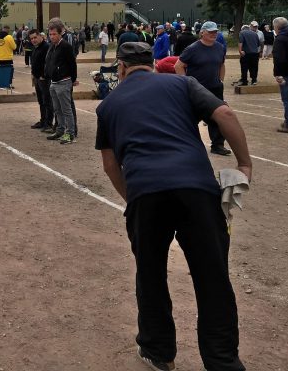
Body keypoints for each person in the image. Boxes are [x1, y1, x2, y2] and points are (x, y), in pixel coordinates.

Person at [96, 42, 251, 371]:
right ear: (151, 63)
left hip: (145, 192)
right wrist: (244, 163)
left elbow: (110, 165)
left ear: (121, 69)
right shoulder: (181, 83)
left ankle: (157, 349)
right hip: (196, 187)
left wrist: (134, 198)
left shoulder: (108, 105)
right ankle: (223, 360)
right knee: (213, 276)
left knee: (150, 274)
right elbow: (224, 113)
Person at [175, 21, 231, 155]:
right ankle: (185, 144)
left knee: (217, 117)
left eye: (215, 32)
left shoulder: (219, 47)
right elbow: (178, 66)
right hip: (197, 89)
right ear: (202, 33)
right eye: (210, 32)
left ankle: (217, 145)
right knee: (191, 118)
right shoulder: (192, 48)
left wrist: (220, 80)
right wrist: (187, 82)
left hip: (216, 88)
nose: (214, 34)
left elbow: (221, 64)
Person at [44, 18, 77, 144]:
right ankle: (60, 130)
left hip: (63, 82)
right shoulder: (52, 46)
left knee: (66, 109)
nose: (52, 37)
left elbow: (72, 64)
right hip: (54, 82)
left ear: (60, 33)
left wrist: (72, 79)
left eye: (54, 34)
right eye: (50, 34)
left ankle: (70, 134)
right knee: (57, 109)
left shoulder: (65, 46)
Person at [29, 29, 53, 132]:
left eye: (35, 37)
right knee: (41, 101)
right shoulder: (35, 48)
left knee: (47, 101)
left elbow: (48, 63)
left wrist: (44, 74)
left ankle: (48, 123)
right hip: (37, 78)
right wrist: (33, 75)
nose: (33, 40)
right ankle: (43, 121)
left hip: (44, 79)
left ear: (40, 36)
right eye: (31, 38)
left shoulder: (46, 47)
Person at [235, 21, 262, 86]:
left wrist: (240, 51)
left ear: (242, 29)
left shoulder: (242, 33)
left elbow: (240, 42)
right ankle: (254, 80)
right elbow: (258, 44)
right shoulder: (255, 34)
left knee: (244, 67)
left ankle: (244, 81)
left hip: (246, 53)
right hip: (255, 54)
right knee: (254, 67)